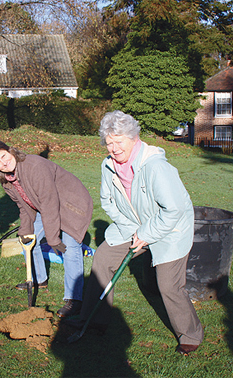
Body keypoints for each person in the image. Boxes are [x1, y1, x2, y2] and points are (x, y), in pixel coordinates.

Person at [64, 110, 203, 355]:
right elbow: (107, 202)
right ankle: (93, 319)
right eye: (109, 143)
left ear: (134, 138)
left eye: (119, 141)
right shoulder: (108, 165)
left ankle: (190, 333)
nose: (114, 148)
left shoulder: (156, 166)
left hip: (170, 229)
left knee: (169, 285)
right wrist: (131, 227)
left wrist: (147, 234)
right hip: (134, 227)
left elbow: (174, 209)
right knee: (103, 259)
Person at [0, 138, 93, 317]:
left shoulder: (34, 166)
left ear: (10, 151)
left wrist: (53, 238)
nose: (3, 162)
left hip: (71, 203)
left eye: (3, 156)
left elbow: (50, 203)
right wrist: (25, 231)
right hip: (45, 205)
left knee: (70, 247)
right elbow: (24, 207)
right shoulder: (7, 181)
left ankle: (74, 299)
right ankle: (37, 279)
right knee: (28, 240)